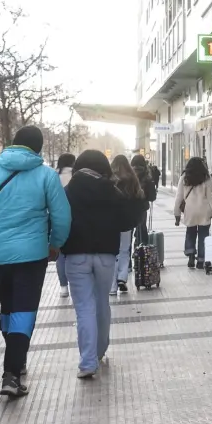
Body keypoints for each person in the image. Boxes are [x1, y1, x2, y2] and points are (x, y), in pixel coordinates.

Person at [0, 126, 71, 398]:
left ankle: (15, 358)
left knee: (8, 309)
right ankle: (12, 372)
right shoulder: (46, 175)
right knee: (24, 310)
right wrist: (55, 243)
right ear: (38, 148)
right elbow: (62, 216)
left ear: (13, 143)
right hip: (32, 256)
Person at [61, 150, 136, 379]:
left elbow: (57, 220)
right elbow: (127, 222)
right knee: (102, 302)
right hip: (105, 255)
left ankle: (87, 362)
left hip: (76, 256)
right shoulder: (111, 190)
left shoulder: (68, 191)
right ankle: (100, 350)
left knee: (84, 307)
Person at [109, 155, 149, 295]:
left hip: (112, 221)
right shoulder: (132, 179)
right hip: (127, 221)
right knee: (125, 250)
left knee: (113, 251)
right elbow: (140, 196)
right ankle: (122, 278)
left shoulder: (110, 179)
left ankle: (112, 286)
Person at [174, 157, 212, 268]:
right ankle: (201, 260)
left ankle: (190, 255)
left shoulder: (184, 178)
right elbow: (211, 197)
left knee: (190, 232)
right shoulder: (206, 178)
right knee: (203, 235)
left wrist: (177, 214)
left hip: (190, 211)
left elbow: (179, 197)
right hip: (204, 211)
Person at [54, 153, 76, 298]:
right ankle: (75, 284)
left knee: (60, 254)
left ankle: (63, 286)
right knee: (74, 253)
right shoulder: (76, 176)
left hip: (57, 218)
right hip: (74, 218)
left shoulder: (54, 176)